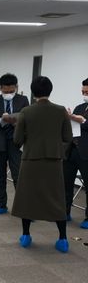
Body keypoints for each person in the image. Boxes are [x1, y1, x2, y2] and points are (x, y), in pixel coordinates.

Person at [12, 76, 72, 252]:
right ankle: (62, 239)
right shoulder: (61, 111)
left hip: (31, 160)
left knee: (27, 197)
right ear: (50, 90)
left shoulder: (26, 112)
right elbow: (67, 137)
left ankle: (26, 236)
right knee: (56, 198)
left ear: (33, 92)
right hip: (53, 161)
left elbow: (17, 140)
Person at [0, 73, 29, 215]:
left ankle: (23, 207)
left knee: (18, 175)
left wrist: (15, 121)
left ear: (16, 87)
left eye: (11, 91)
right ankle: (1, 204)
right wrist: (1, 120)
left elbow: (27, 120)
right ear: (0, 88)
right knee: (0, 174)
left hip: (16, 142)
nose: (9, 93)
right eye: (6, 91)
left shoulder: (23, 100)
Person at [64, 78, 88, 228]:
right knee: (66, 183)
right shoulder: (80, 107)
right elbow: (73, 125)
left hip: (86, 153)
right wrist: (69, 118)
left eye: (87, 92)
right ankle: (65, 211)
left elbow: (83, 123)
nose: (84, 95)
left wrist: (82, 121)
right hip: (72, 150)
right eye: (83, 92)